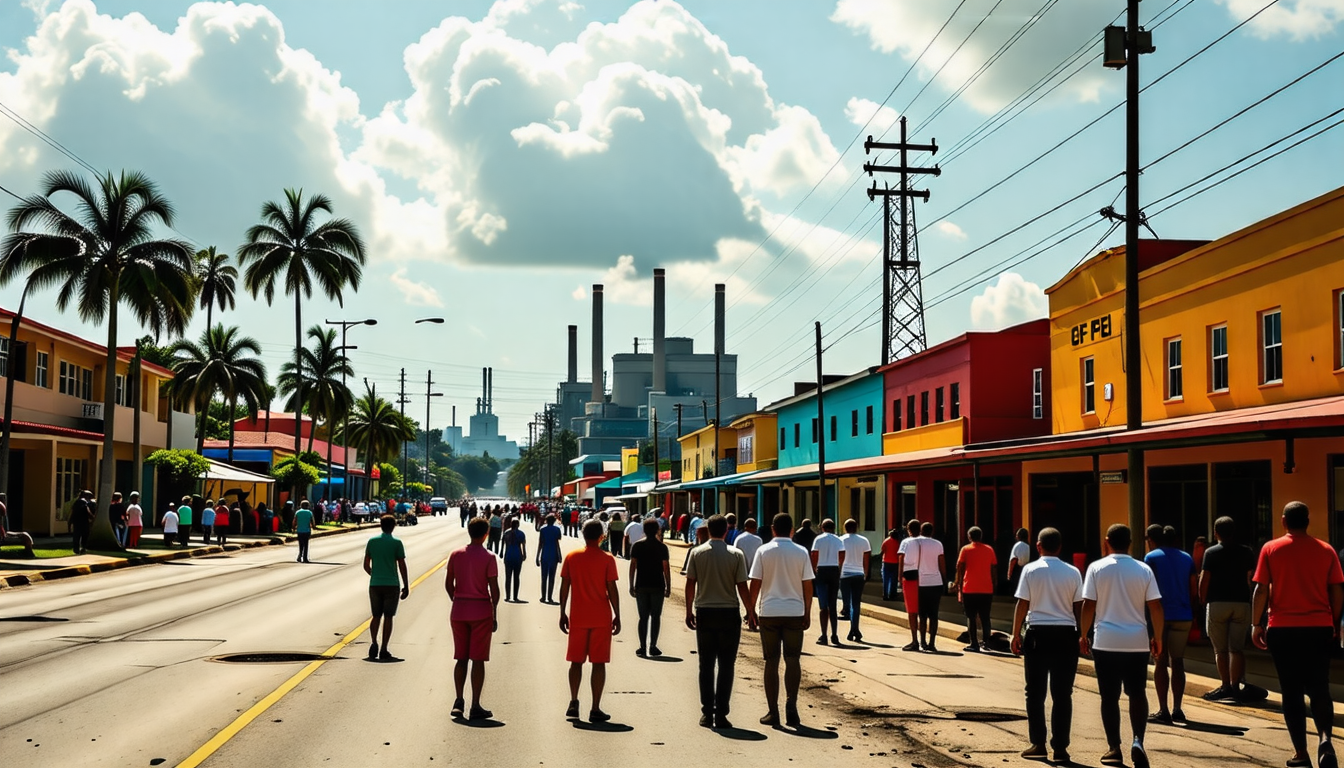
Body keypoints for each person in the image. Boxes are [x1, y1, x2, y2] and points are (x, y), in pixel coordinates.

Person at [1251, 501, 1343, 768]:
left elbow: (1261, 589)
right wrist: (1334, 622)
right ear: (1308, 520)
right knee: (1319, 687)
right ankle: (1325, 738)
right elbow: (1337, 590)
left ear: (1283, 521)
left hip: (1283, 628)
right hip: (1319, 627)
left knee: (1291, 691)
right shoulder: (1326, 550)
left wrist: (1256, 624)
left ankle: (1301, 753)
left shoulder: (1271, 548)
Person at [1080, 524, 1163, 768]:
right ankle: (1137, 740)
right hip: (1137, 642)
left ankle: (1114, 748)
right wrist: (1157, 637)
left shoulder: (1096, 568)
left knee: (1109, 696)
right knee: (1137, 693)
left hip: (1106, 642)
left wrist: (1083, 634)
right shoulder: (1143, 569)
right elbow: (1156, 607)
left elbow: (1088, 604)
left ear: (1107, 541)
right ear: (1131, 542)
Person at [1011, 527, 1083, 763]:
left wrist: (1015, 634)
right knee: (1063, 694)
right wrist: (1082, 634)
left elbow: (1023, 604)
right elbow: (1078, 607)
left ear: (1038, 546)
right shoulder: (1073, 572)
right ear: (1060, 547)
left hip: (1037, 634)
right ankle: (1060, 748)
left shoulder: (1030, 570)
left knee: (1035, 692)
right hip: (1066, 634)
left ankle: (1038, 744)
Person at [685, 513, 756, 728]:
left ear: (708, 530)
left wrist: (689, 611)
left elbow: (690, 584)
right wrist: (751, 611)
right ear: (726, 531)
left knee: (705, 665)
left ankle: (707, 712)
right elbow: (742, 586)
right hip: (728, 614)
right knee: (727, 665)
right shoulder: (736, 555)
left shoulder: (696, 553)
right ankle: (722, 713)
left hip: (705, 612)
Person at [748, 513, 814, 728]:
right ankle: (791, 706)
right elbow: (807, 586)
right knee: (793, 659)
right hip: (794, 612)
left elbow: (755, 583)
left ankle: (773, 712)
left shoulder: (763, 551)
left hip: (769, 612)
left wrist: (750, 610)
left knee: (771, 661)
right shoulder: (801, 551)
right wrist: (807, 612)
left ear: (773, 529)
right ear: (792, 530)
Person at [559, 519, 621, 722]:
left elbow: (564, 587)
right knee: (598, 663)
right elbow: (612, 589)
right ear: (602, 537)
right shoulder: (607, 559)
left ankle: (573, 701)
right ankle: (595, 708)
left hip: (578, 617)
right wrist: (617, 614)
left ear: (583, 535)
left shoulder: (572, 557)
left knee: (575, 662)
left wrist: (562, 612)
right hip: (601, 617)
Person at [446, 516, 500, 720]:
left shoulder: (456, 554)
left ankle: (458, 701)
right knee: (478, 659)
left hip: (459, 610)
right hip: (481, 611)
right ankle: (475, 704)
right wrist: (494, 610)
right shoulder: (488, 557)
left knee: (461, 658)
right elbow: (494, 589)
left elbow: (448, 583)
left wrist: (457, 599)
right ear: (486, 535)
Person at [1144, 523, 1195, 725]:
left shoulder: (1152, 558)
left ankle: (1163, 709)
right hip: (1183, 615)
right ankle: (1178, 708)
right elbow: (1193, 588)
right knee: (1178, 661)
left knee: (1160, 661)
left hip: (1161, 615)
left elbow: (1148, 587)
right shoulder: (1187, 558)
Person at [1199, 515, 1254, 702]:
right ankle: (1237, 686)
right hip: (1241, 604)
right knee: (1236, 649)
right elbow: (1251, 580)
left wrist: (1202, 599)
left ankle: (1225, 686)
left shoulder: (1211, 553)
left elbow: (1204, 579)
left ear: (1216, 533)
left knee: (1220, 650)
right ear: (1233, 532)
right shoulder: (1247, 552)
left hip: (1218, 604)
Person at [364, 513, 410, 662]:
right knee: (388, 617)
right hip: (392, 584)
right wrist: (406, 585)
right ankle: (384, 648)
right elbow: (402, 565)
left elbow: (366, 565)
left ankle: (373, 642)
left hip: (375, 584)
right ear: (394, 526)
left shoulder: (372, 542)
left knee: (376, 616)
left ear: (381, 525)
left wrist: (374, 573)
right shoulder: (397, 543)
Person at [629, 518, 670, 657]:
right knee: (656, 617)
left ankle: (642, 646)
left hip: (641, 585)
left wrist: (631, 584)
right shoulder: (662, 547)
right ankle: (653, 645)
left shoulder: (637, 546)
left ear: (644, 531)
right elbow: (666, 568)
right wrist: (668, 586)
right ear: (658, 530)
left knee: (643, 617)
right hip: (658, 585)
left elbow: (633, 566)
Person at [955, 525, 998, 652]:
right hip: (986, 588)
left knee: (971, 617)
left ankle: (974, 643)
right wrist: (994, 583)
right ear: (981, 536)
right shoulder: (989, 549)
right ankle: (986, 642)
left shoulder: (965, 549)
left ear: (969, 537)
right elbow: (994, 567)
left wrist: (958, 583)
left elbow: (960, 567)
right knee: (985, 617)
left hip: (969, 588)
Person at [810, 518, 844, 645]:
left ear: (822, 528)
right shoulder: (838, 539)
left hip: (822, 570)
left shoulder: (818, 539)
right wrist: (839, 567)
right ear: (833, 528)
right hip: (834, 570)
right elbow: (842, 554)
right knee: (833, 605)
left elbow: (814, 554)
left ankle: (824, 635)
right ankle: (834, 635)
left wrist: (814, 568)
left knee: (823, 606)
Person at [839, 518, 871, 642]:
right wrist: (865, 573)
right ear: (856, 527)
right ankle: (855, 628)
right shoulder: (864, 541)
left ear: (845, 528)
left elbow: (839, 558)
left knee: (847, 603)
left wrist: (838, 572)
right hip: (858, 574)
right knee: (856, 603)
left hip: (845, 575)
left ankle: (853, 628)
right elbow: (866, 559)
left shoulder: (840, 540)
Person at [915, 521, 946, 652]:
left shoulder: (916, 543)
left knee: (922, 614)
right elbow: (941, 564)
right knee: (934, 614)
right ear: (932, 532)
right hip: (935, 582)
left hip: (921, 582)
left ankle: (922, 641)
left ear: (921, 531)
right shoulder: (938, 544)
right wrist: (944, 579)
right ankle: (932, 643)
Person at [897, 519, 923, 651]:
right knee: (923, 611)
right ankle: (924, 640)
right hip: (925, 576)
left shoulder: (905, 542)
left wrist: (899, 577)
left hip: (910, 576)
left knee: (912, 611)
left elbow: (901, 558)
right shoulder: (926, 542)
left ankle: (915, 640)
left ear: (908, 529)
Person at [537, 513, 564, 604]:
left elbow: (540, 543)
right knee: (551, 577)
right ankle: (550, 597)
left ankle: (543, 597)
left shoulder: (543, 530)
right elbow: (557, 543)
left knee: (544, 577)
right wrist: (559, 555)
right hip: (554, 555)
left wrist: (537, 556)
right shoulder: (557, 530)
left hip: (544, 555)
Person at [501, 517, 527, 602]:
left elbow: (502, 544)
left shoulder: (506, 533)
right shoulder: (521, 534)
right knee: (516, 577)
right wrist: (524, 554)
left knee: (508, 577)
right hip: (517, 555)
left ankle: (508, 596)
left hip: (508, 555)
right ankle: (515, 596)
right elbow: (523, 545)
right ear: (518, 525)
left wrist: (501, 552)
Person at [1007, 527, 1031, 596]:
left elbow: (1013, 560)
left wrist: (1009, 573)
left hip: (1017, 570)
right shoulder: (1028, 546)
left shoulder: (1018, 545)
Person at [880, 528, 901, 601]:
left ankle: (885, 595)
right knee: (894, 580)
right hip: (895, 563)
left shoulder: (886, 541)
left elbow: (882, 550)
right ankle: (892, 594)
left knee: (886, 579)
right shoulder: (897, 543)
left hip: (886, 562)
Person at [70, 489, 93, 554]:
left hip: (76, 522)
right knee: (85, 536)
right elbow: (87, 511)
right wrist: (93, 518)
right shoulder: (84, 502)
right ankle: (83, 548)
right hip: (84, 522)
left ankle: (76, 549)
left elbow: (73, 513)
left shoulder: (76, 502)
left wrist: (70, 522)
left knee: (76, 536)